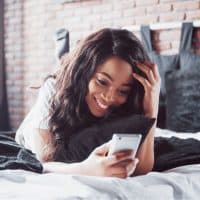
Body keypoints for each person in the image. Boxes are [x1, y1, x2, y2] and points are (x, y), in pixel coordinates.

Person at [15, 28, 161, 178]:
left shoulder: (124, 105)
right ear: (84, 72)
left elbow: (142, 169)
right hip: (32, 137)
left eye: (123, 91)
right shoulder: (53, 90)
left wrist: (151, 108)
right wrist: (86, 169)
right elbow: (45, 163)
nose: (110, 97)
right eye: (102, 82)